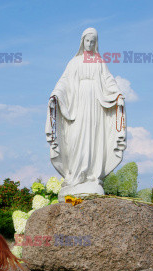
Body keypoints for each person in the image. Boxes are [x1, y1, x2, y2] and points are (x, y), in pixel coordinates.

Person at [45, 27, 127, 201]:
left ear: (96, 43)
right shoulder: (74, 62)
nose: (89, 44)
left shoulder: (99, 62)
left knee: (94, 140)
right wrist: (55, 95)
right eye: (87, 41)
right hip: (78, 105)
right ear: (82, 41)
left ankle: (92, 176)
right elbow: (64, 82)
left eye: (93, 41)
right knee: (75, 139)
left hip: (96, 106)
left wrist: (118, 94)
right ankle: (75, 176)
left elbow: (108, 80)